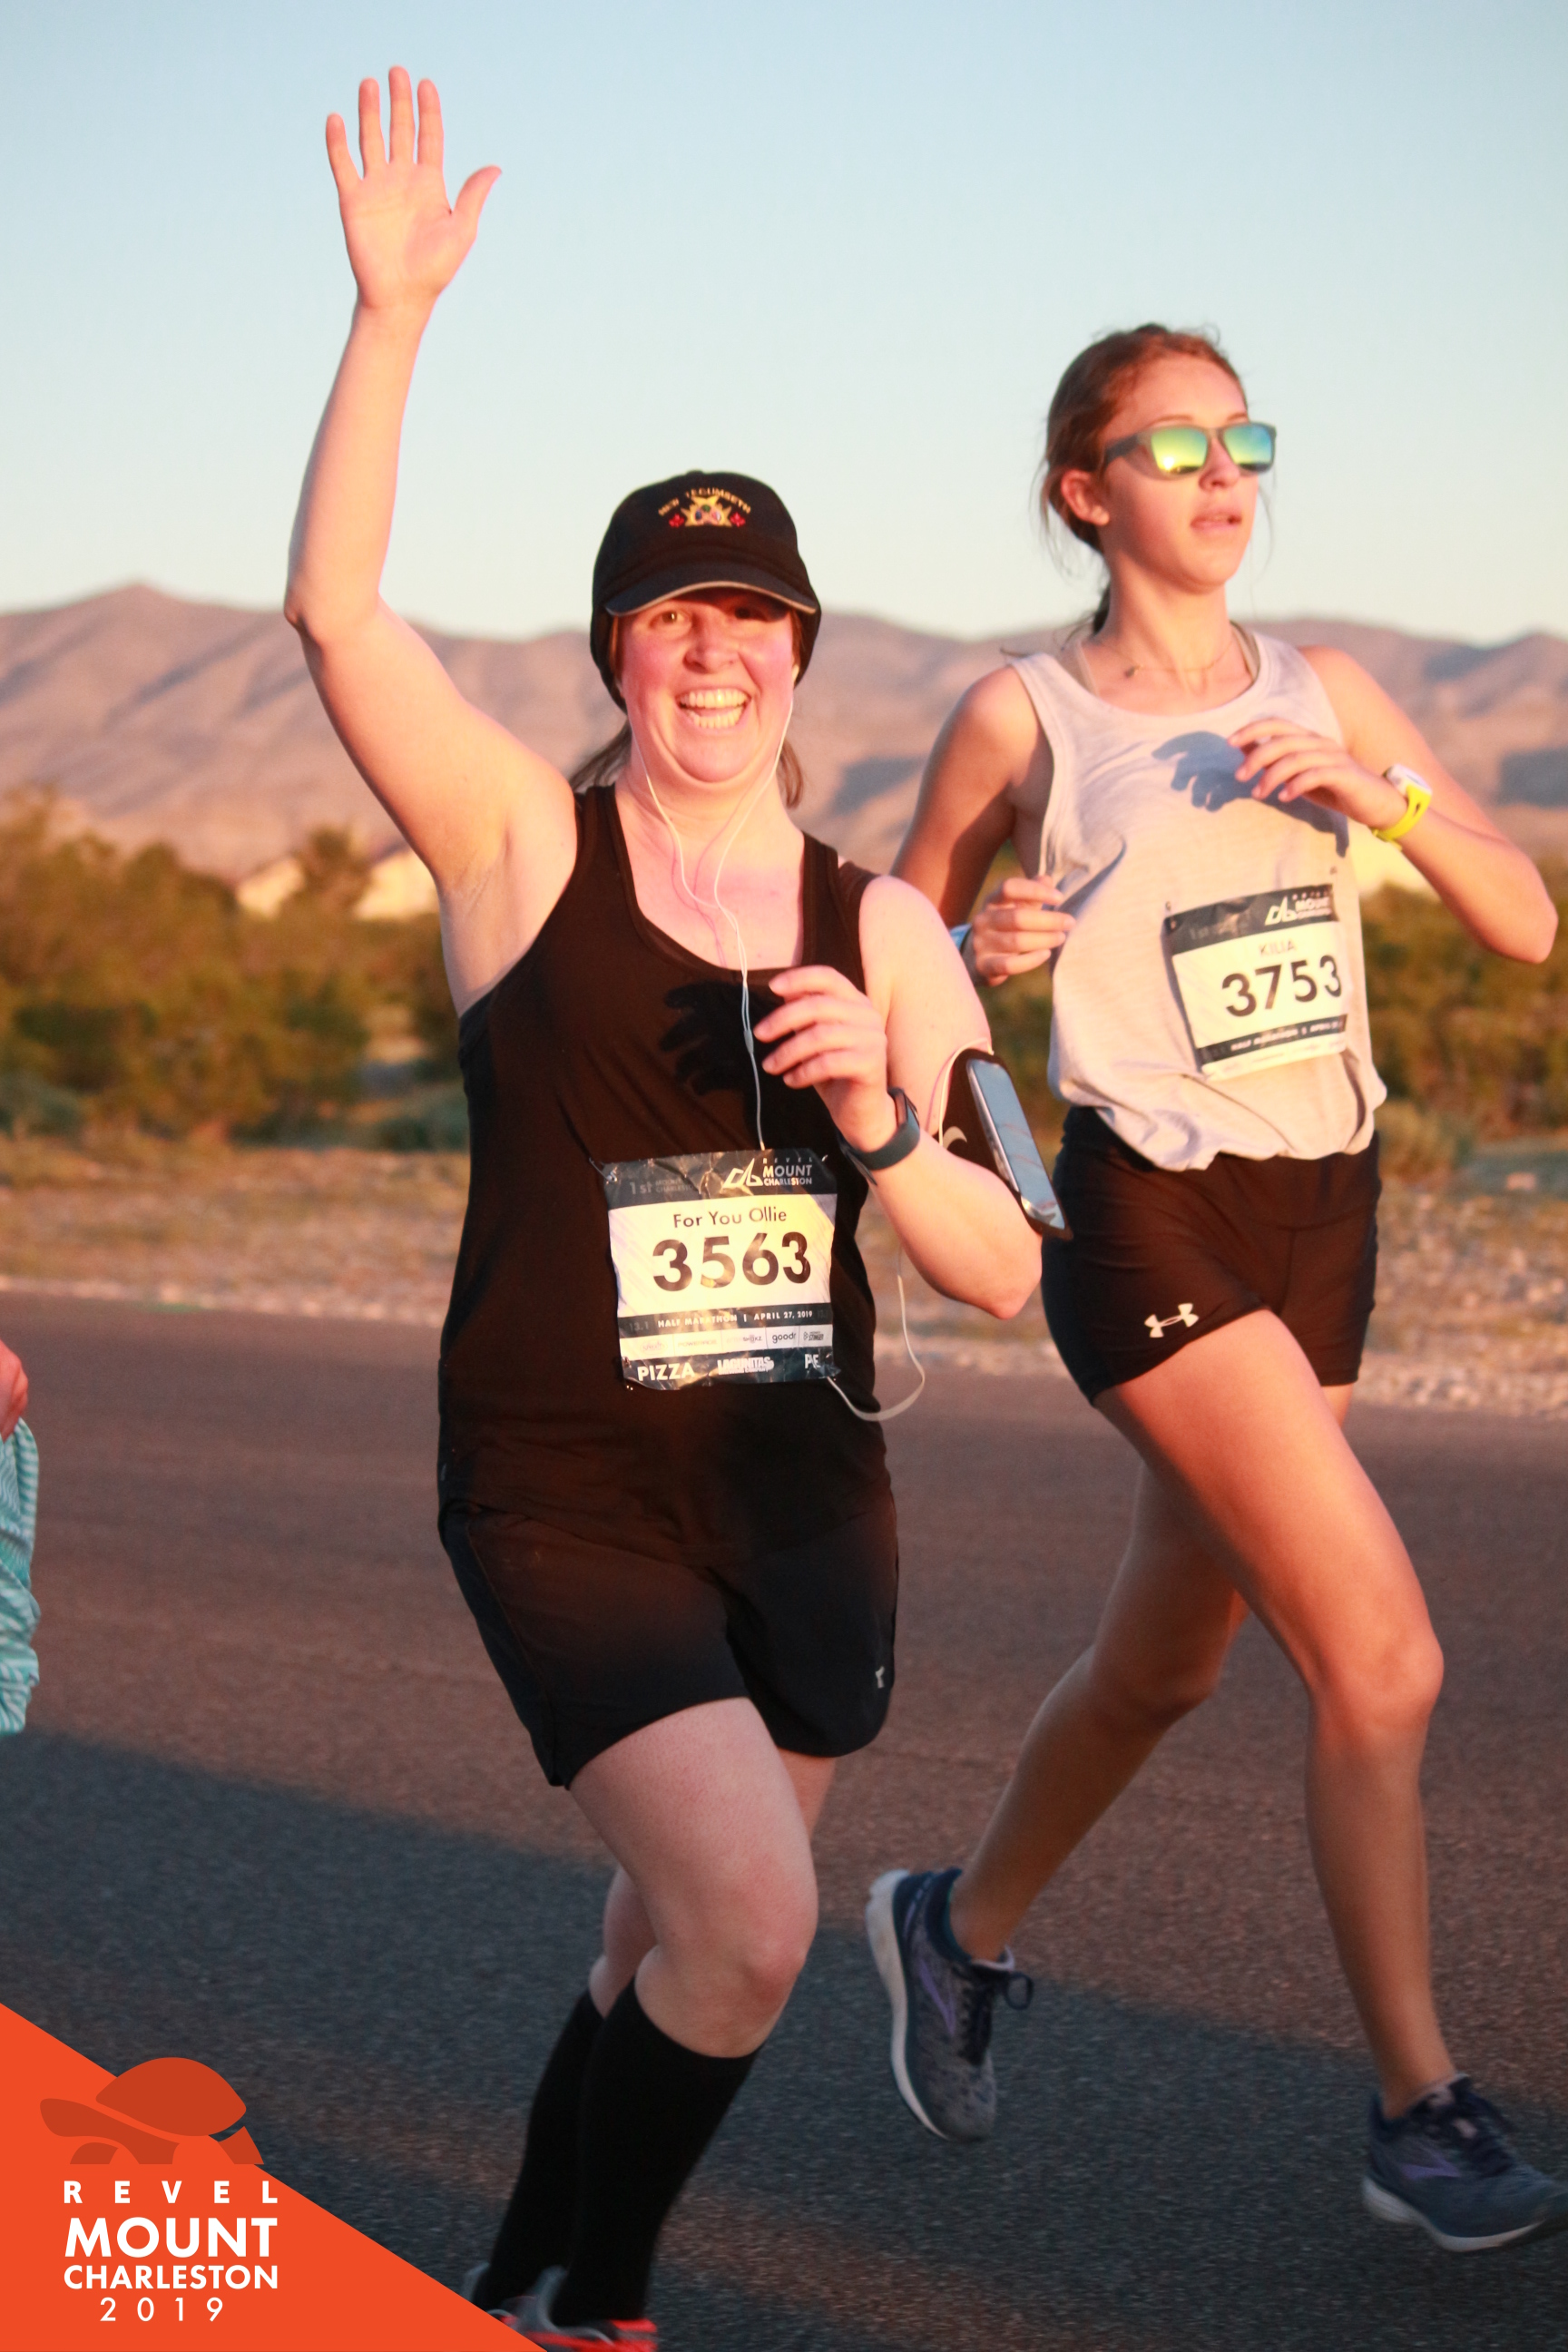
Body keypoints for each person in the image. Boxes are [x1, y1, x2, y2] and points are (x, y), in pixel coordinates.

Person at [285, 71, 1043, 2347]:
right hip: (566, 1485)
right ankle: (598, 2305)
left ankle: (516, 2258)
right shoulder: (522, 848)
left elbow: (1009, 1269)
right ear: (615, 650)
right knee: (747, 1923)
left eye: (751, 620)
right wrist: (392, 318)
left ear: (801, 654)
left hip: (803, 1503)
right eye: (670, 621)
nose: (713, 656)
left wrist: (883, 1121)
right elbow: (336, 615)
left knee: (654, 1941)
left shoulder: (880, 925)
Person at [867, 323, 1568, 2256]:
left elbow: (1526, 923)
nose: (1220, 471)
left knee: (1170, 1663)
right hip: (1148, 1218)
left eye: (1240, 436)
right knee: (1384, 1660)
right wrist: (981, 953)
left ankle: (953, 1930)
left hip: (1326, 1211)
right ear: (1084, 492)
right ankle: (1418, 2111)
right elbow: (903, 953)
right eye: (1171, 445)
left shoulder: (1326, 688)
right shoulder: (1020, 717)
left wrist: (1379, 797)